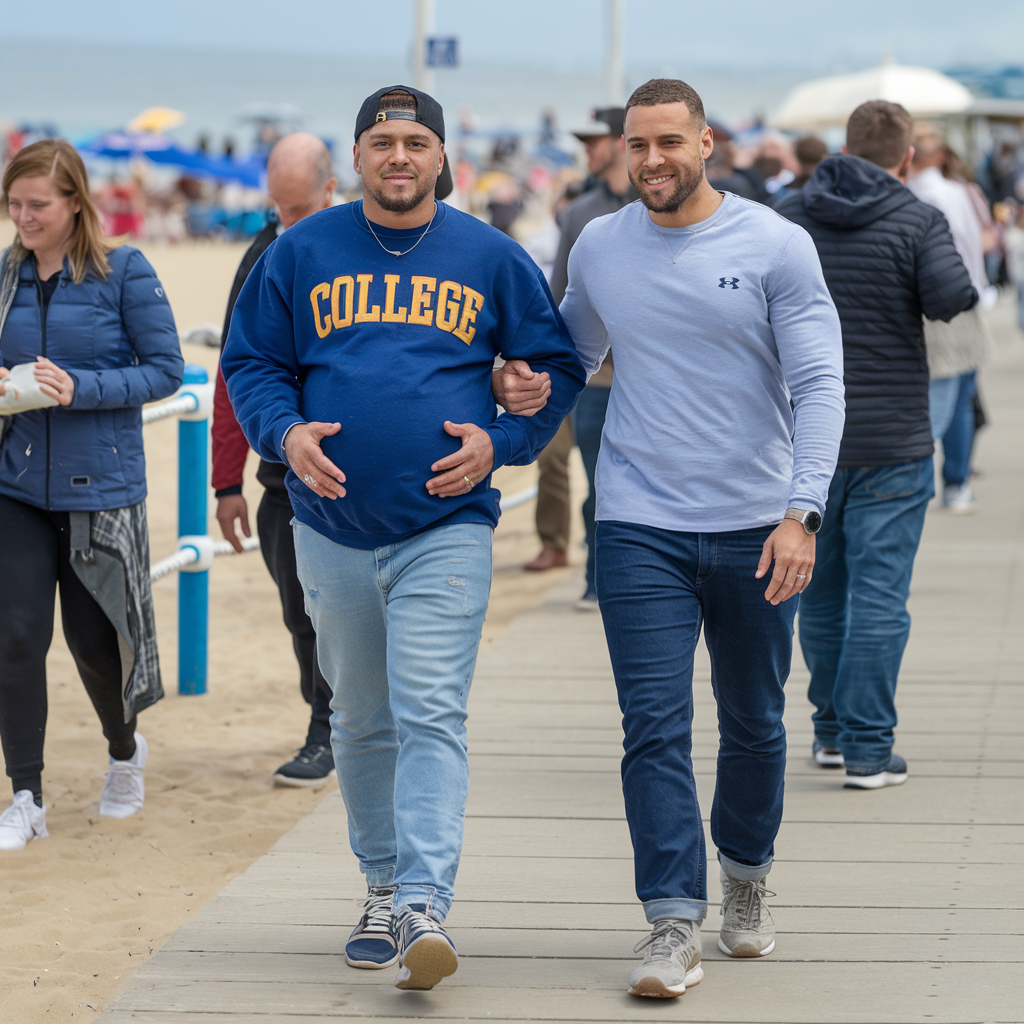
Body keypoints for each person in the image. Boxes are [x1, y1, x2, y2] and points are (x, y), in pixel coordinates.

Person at [221, 85, 585, 990]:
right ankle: (380, 886)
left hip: (445, 524)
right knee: (360, 717)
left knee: (429, 708)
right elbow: (251, 362)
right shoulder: (299, 252)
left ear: (440, 157)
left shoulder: (490, 255)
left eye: (415, 141)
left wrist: (505, 440)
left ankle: (425, 898)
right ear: (357, 158)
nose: (397, 156)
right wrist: (284, 433)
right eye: (381, 141)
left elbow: (557, 367)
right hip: (329, 521)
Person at [560, 79, 845, 998]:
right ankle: (671, 921)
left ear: (707, 143)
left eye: (669, 143)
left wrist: (803, 513)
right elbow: (566, 355)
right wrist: (505, 399)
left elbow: (821, 388)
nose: (652, 162)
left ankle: (748, 877)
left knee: (757, 721)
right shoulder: (600, 246)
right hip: (639, 520)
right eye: (638, 146)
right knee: (654, 727)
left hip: (759, 525)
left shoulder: (775, 244)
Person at [775, 102, 976, 790]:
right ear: (907, 159)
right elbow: (952, 298)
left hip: (804, 441)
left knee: (819, 593)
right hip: (892, 436)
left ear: (843, 147)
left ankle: (830, 733)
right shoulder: (917, 218)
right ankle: (867, 746)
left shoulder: (789, 213)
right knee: (880, 595)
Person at [0, 140, 183, 851]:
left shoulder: (123, 270)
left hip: (98, 490)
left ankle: (122, 750)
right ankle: (27, 796)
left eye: (37, 206)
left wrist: (83, 389)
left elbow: (166, 371)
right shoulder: (9, 273)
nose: (24, 219)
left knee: (95, 647)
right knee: (15, 638)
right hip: (15, 485)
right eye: (14, 206)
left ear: (75, 202)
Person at [212, 133, 340, 788]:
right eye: (278, 210)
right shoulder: (263, 255)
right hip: (282, 481)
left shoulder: (361, 248)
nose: (288, 225)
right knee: (300, 612)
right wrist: (223, 481)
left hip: (359, 476)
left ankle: (339, 727)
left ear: (331, 189)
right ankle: (326, 720)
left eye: (300, 210)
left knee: (348, 613)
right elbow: (232, 375)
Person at [524, 107, 634, 577]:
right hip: (593, 376)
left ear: (620, 142)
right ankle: (592, 572)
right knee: (587, 475)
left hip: (647, 375)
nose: (587, 151)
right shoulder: (579, 215)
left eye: (595, 141)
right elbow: (561, 294)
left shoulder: (658, 204)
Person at [908, 126, 992, 514]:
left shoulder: (919, 195)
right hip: (970, 300)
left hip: (939, 307)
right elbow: (987, 239)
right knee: (961, 399)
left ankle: (922, 485)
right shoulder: (962, 191)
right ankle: (957, 483)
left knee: (938, 406)